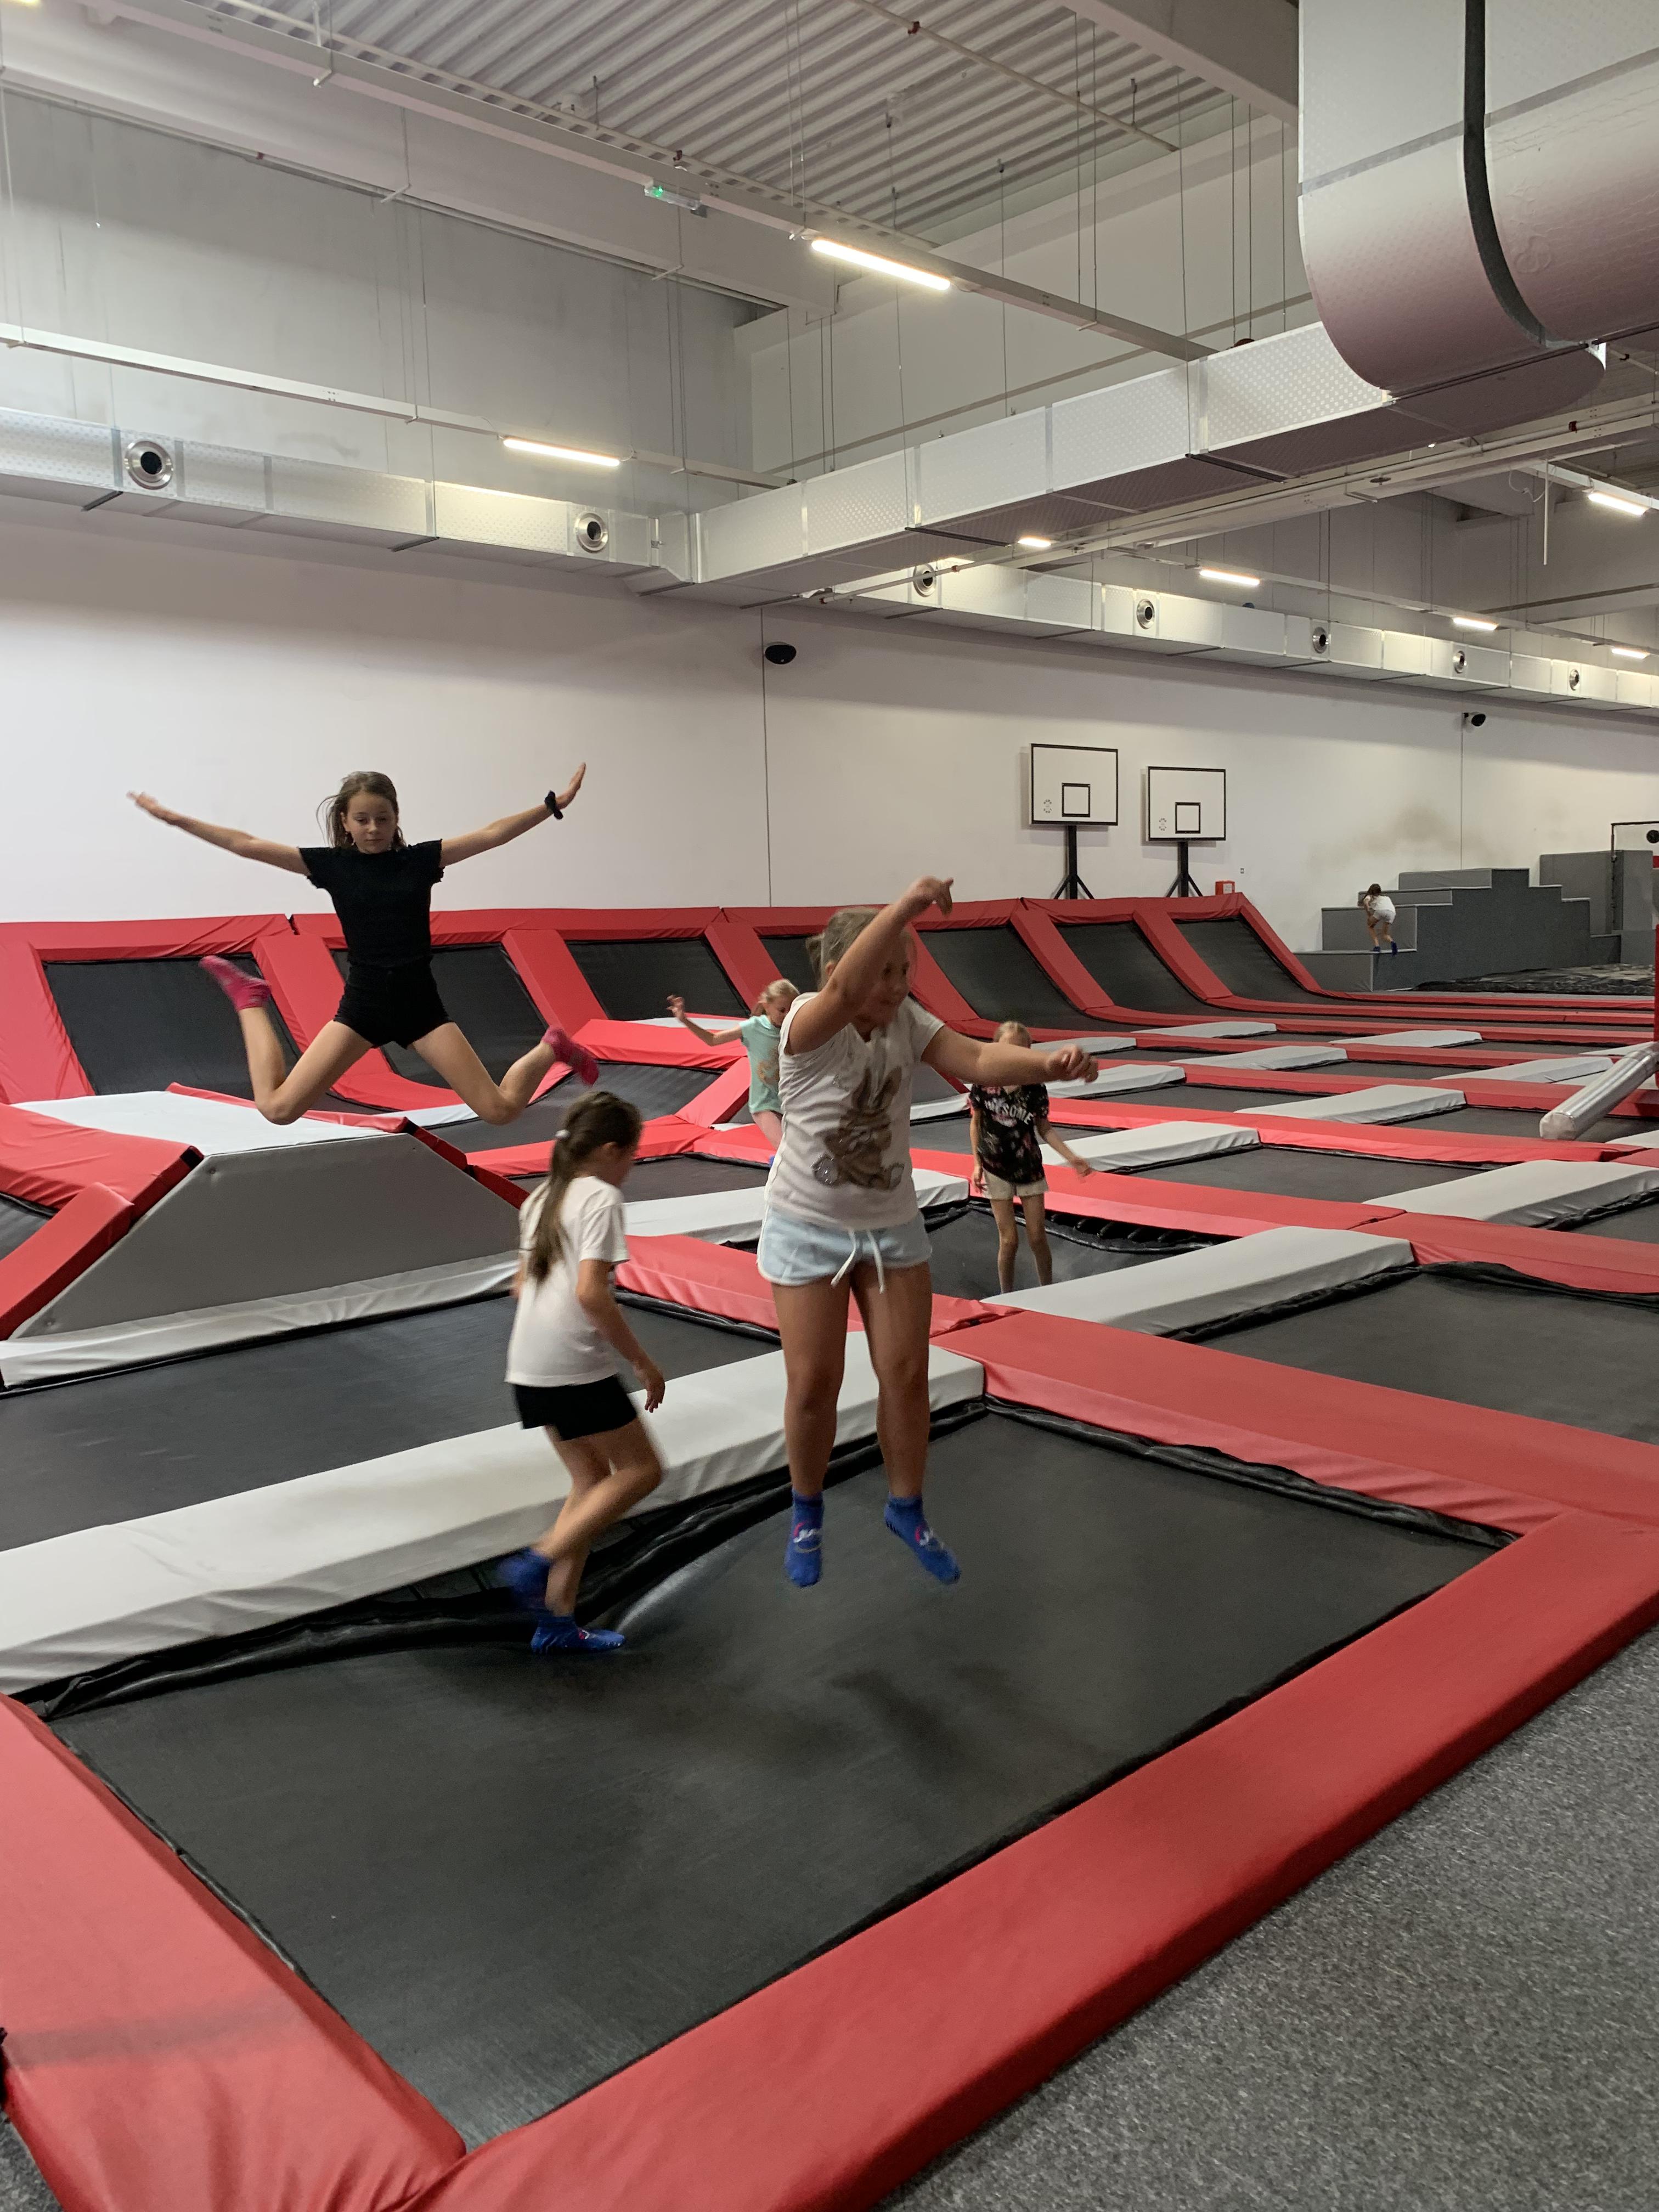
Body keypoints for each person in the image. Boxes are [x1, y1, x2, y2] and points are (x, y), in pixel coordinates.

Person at [759, 881, 1098, 1589]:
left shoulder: (907, 1021)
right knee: (815, 1382)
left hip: (891, 1227)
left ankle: (906, 1508)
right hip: (807, 1225)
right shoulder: (806, 1024)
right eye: (884, 972)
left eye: (905, 971)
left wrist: (1047, 1065)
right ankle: (806, 1509)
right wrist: (909, 906)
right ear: (840, 971)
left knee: (908, 1374)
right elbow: (847, 990)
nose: (897, 986)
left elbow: (976, 1059)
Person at [129, 767, 597, 1123]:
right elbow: (246, 843)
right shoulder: (333, 866)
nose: (374, 828)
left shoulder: (420, 861)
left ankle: (551, 1048)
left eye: (383, 819)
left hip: (420, 1006)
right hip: (364, 1006)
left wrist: (551, 806)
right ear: (345, 822)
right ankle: (250, 1000)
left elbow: (491, 835)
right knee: (277, 1109)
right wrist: (178, 820)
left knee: (499, 1111)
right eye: (363, 819)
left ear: (396, 820)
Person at [496, 1092, 666, 1654]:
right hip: (572, 1365)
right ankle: (536, 1562)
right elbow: (592, 1292)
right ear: (612, 1150)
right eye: (632, 1155)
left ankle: (556, 1623)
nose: (631, 1167)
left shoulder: (542, 1196)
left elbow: (520, 1286)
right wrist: (641, 1361)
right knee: (642, 1471)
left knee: (591, 1482)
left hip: (528, 1366)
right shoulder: (601, 1197)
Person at [968, 1020, 1097, 1293]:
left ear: (1028, 1052)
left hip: (1028, 1166)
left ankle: (1047, 1290)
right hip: (994, 1165)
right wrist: (977, 1164)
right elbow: (976, 1122)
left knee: (1038, 1237)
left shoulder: (1034, 1087)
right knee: (1009, 1240)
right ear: (996, 1049)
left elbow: (1044, 1128)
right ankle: (1006, 1294)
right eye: (1007, 1050)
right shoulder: (984, 1082)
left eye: (1019, 1051)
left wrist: (1072, 1157)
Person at [667, 979, 798, 1150]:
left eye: (791, 1010)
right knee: (786, 1150)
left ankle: (776, 1163)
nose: (787, 1015)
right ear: (766, 1006)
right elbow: (713, 1040)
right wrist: (684, 1020)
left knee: (797, 1151)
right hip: (764, 1104)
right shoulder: (754, 1027)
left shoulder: (795, 1028)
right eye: (782, 1010)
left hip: (788, 1102)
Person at [1359, 882, 1398, 956]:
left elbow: (1365, 903)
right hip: (1392, 912)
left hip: (1381, 910)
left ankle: (1377, 946)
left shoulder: (1370, 896)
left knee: (1370, 926)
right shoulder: (1386, 897)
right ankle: (1392, 942)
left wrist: (1369, 914)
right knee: (1384, 934)